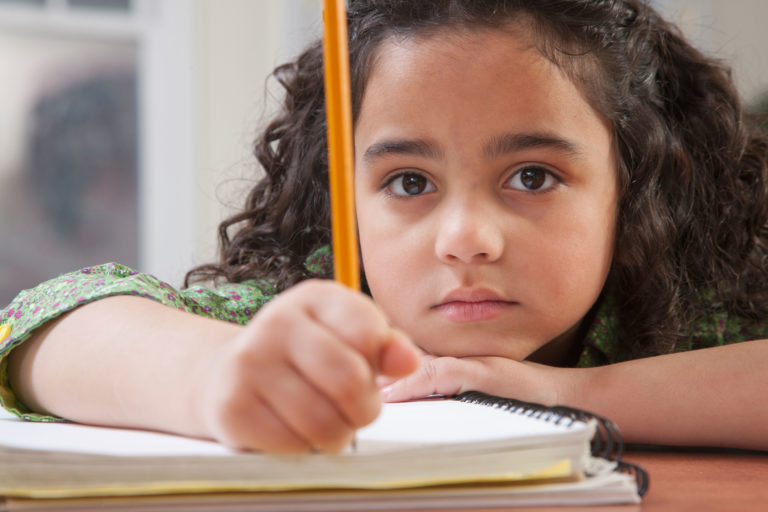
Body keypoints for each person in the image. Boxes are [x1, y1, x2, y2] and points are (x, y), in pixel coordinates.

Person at [2, 0, 767, 453]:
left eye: (532, 177)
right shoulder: (318, 314)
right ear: (347, 201)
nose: (465, 238)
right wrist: (217, 378)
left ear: (634, 185)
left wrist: (562, 390)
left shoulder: (697, 301)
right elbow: (53, 322)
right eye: (408, 182)